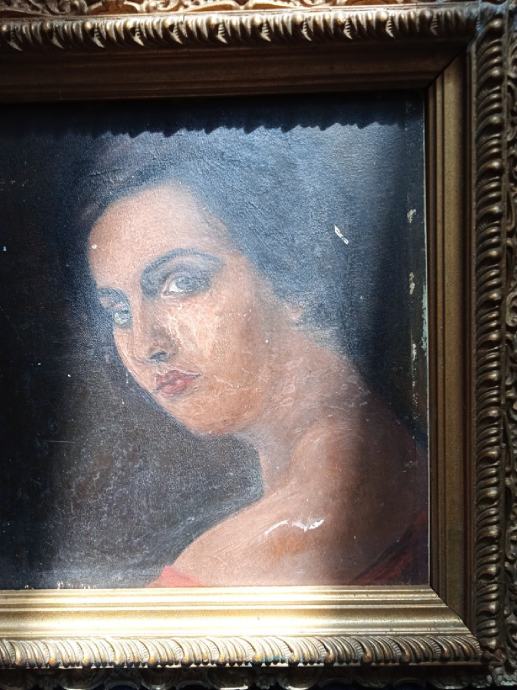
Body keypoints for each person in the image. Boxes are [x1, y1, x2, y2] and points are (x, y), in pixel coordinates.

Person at [82, 118, 427, 586]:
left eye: (183, 282)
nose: (146, 345)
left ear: (295, 275)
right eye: (119, 311)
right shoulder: (395, 458)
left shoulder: (257, 552)